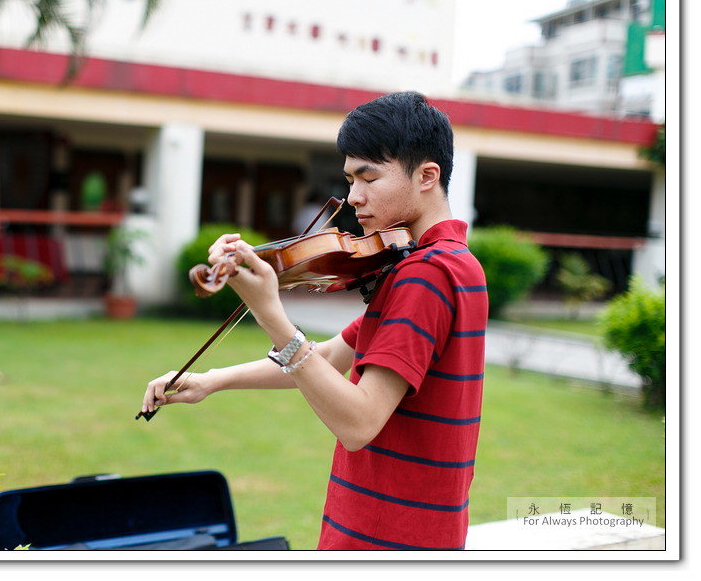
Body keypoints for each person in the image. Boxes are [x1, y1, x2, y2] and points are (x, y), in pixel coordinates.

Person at [139, 92, 489, 550]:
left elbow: (359, 423)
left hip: (388, 541)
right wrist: (212, 380)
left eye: (369, 178)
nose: (353, 198)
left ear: (427, 175)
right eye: (349, 180)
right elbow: (327, 357)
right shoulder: (448, 262)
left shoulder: (425, 275)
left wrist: (271, 314)